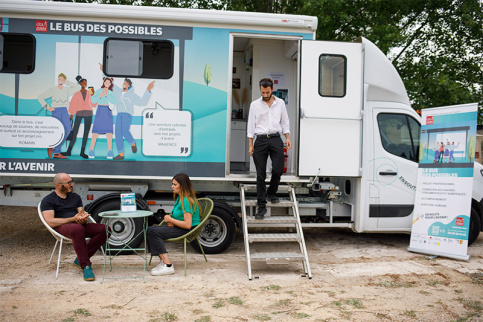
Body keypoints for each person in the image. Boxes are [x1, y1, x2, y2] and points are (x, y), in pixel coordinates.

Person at [40, 173, 107, 281]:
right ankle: (85, 265)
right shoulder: (48, 200)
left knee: (104, 229)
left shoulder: (75, 197)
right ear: (58, 185)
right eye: (68, 183)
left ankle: (79, 260)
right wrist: (72, 219)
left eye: (72, 181)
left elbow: (81, 214)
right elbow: (50, 222)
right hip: (62, 227)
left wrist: (83, 218)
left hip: (78, 225)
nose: (72, 184)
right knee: (77, 229)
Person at [247, 78, 291, 219]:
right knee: (260, 175)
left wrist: (287, 138)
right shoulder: (254, 105)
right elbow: (251, 125)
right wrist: (250, 144)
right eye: (262, 92)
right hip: (260, 140)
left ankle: (271, 193)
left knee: (278, 169)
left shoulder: (280, 103)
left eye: (267, 92)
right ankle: (261, 206)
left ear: (272, 89)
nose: (264, 94)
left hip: (276, 138)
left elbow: (285, 122)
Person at [147, 173, 201, 276]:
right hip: (179, 227)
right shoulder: (179, 198)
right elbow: (179, 218)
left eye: (174, 184)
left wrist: (170, 219)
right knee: (150, 230)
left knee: (154, 232)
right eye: (172, 184)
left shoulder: (186, 200)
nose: (172, 186)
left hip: (186, 230)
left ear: (183, 186)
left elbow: (188, 225)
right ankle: (163, 262)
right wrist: (171, 220)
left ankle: (167, 265)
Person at [38, 73, 80, 159]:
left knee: (67, 129)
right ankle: (56, 151)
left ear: (64, 80)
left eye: (62, 79)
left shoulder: (66, 89)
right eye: (59, 79)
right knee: (56, 130)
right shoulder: (52, 89)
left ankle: (54, 148)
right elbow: (40, 97)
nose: (60, 80)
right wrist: (47, 107)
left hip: (64, 110)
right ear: (57, 79)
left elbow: (78, 88)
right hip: (56, 110)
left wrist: (67, 82)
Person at [63, 75, 97, 159]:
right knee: (74, 132)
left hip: (88, 113)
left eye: (86, 83)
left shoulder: (90, 92)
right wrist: (71, 114)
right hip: (78, 113)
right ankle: (69, 151)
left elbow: (94, 104)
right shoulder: (77, 94)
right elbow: (73, 104)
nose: (85, 84)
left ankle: (82, 152)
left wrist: (93, 95)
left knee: (86, 133)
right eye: (83, 83)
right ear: (80, 83)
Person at [89, 77, 117, 159]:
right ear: (104, 83)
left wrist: (107, 95)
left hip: (107, 111)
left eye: (109, 82)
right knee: (95, 132)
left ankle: (110, 151)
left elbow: (115, 101)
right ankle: (91, 150)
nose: (107, 83)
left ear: (110, 84)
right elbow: (93, 100)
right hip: (100, 110)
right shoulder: (98, 91)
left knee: (109, 132)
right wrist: (101, 95)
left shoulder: (111, 93)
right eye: (106, 82)